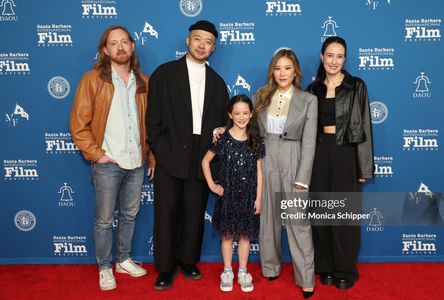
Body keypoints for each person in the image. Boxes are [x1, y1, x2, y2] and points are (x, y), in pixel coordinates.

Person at [213, 48, 317, 298]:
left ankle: (306, 277)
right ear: (272, 71)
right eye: (278, 68)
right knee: (267, 215)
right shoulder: (260, 95)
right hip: (264, 156)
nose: (282, 73)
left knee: (297, 220)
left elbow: (310, 142)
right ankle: (270, 267)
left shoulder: (308, 100)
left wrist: (302, 177)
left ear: (296, 72)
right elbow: (246, 127)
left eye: (288, 68)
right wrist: (222, 129)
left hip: (294, 157)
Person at [70, 25, 155, 291]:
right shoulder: (92, 80)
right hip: (109, 163)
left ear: (132, 46)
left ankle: (124, 259)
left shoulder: (144, 81)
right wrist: (97, 154)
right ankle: (105, 267)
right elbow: (78, 124)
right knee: (105, 220)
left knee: (130, 215)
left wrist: (151, 156)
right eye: (113, 43)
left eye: (125, 42)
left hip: (136, 161)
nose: (120, 47)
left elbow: (151, 123)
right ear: (105, 50)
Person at [146, 20, 229, 290]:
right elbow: (153, 118)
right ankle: (165, 267)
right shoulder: (165, 74)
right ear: (188, 41)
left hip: (201, 155)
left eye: (208, 41)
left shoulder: (218, 83)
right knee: (166, 213)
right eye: (197, 39)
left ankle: (188, 261)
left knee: (194, 213)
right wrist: (159, 150)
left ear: (213, 48)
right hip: (170, 152)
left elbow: (221, 125)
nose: (202, 45)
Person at [306, 36, 373, 290]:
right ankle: (325, 266)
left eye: (340, 56)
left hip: (346, 151)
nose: (335, 61)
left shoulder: (356, 86)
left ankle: (345, 269)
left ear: (345, 59)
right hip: (319, 152)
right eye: (330, 55)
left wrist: (364, 165)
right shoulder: (313, 89)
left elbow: (364, 125)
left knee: (344, 213)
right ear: (322, 57)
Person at [202, 95, 265, 293]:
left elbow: (259, 171)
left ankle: (243, 272)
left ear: (251, 114)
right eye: (237, 113)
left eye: (245, 113)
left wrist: (259, 197)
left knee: (245, 236)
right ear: (230, 114)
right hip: (227, 197)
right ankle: (227, 271)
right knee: (228, 236)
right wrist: (212, 184)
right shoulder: (222, 139)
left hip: (248, 197)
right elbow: (205, 162)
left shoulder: (255, 140)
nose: (241, 117)